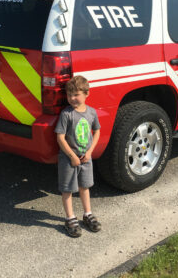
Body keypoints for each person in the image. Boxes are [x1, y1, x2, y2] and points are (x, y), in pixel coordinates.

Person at [55, 75, 102, 237]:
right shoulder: (66, 114)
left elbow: (96, 131)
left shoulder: (91, 113)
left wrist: (89, 152)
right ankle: (70, 218)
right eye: (69, 95)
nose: (72, 98)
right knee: (67, 189)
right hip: (69, 159)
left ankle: (87, 213)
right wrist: (71, 155)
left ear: (86, 94)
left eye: (76, 94)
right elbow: (60, 137)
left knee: (85, 186)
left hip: (85, 158)